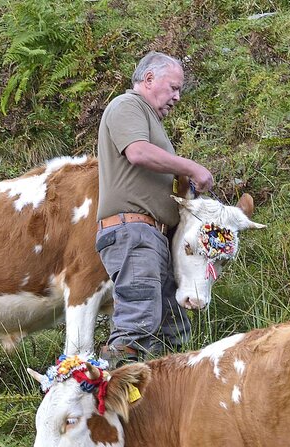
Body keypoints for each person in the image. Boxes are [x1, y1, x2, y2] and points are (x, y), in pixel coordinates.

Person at [94, 52, 214, 365]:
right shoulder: (128, 105)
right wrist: (190, 167)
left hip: (152, 237)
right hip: (135, 232)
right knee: (138, 325)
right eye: (173, 87)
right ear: (149, 79)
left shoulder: (150, 120)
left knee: (173, 331)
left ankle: (163, 405)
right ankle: (107, 403)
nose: (177, 96)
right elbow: (136, 152)